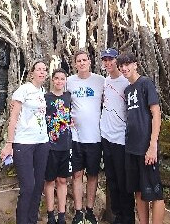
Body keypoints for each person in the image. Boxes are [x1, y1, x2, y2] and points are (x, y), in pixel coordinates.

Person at [117, 52, 164, 224]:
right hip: (131, 148)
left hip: (146, 147)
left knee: (155, 192)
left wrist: (152, 146)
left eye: (127, 64)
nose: (124, 68)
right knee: (138, 191)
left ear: (135, 64)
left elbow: (156, 114)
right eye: (121, 65)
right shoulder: (127, 90)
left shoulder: (145, 83)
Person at [1, 60, 50, 224]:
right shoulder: (23, 90)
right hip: (24, 144)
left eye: (44, 70)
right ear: (32, 73)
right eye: (38, 69)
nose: (42, 72)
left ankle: (32, 220)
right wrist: (9, 143)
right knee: (28, 186)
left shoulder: (43, 91)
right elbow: (13, 117)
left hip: (42, 143)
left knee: (38, 187)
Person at [66, 50, 104, 224]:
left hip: (95, 137)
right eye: (78, 60)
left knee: (93, 174)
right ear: (74, 64)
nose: (81, 63)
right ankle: (78, 211)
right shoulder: (69, 82)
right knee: (77, 174)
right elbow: (61, 103)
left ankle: (90, 210)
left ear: (90, 61)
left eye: (84, 60)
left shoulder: (100, 81)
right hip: (76, 137)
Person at [99, 48, 134, 224]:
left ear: (117, 62)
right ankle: (117, 215)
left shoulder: (127, 83)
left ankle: (128, 217)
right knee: (111, 179)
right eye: (105, 60)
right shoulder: (104, 82)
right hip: (106, 136)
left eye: (111, 59)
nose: (108, 63)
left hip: (121, 138)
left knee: (123, 180)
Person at [44, 68, 72, 224]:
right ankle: (50, 215)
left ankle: (62, 215)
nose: (59, 81)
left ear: (65, 81)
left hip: (66, 146)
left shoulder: (69, 97)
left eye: (62, 79)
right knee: (49, 181)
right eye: (57, 78)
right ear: (52, 80)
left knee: (62, 181)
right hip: (50, 147)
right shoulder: (45, 98)